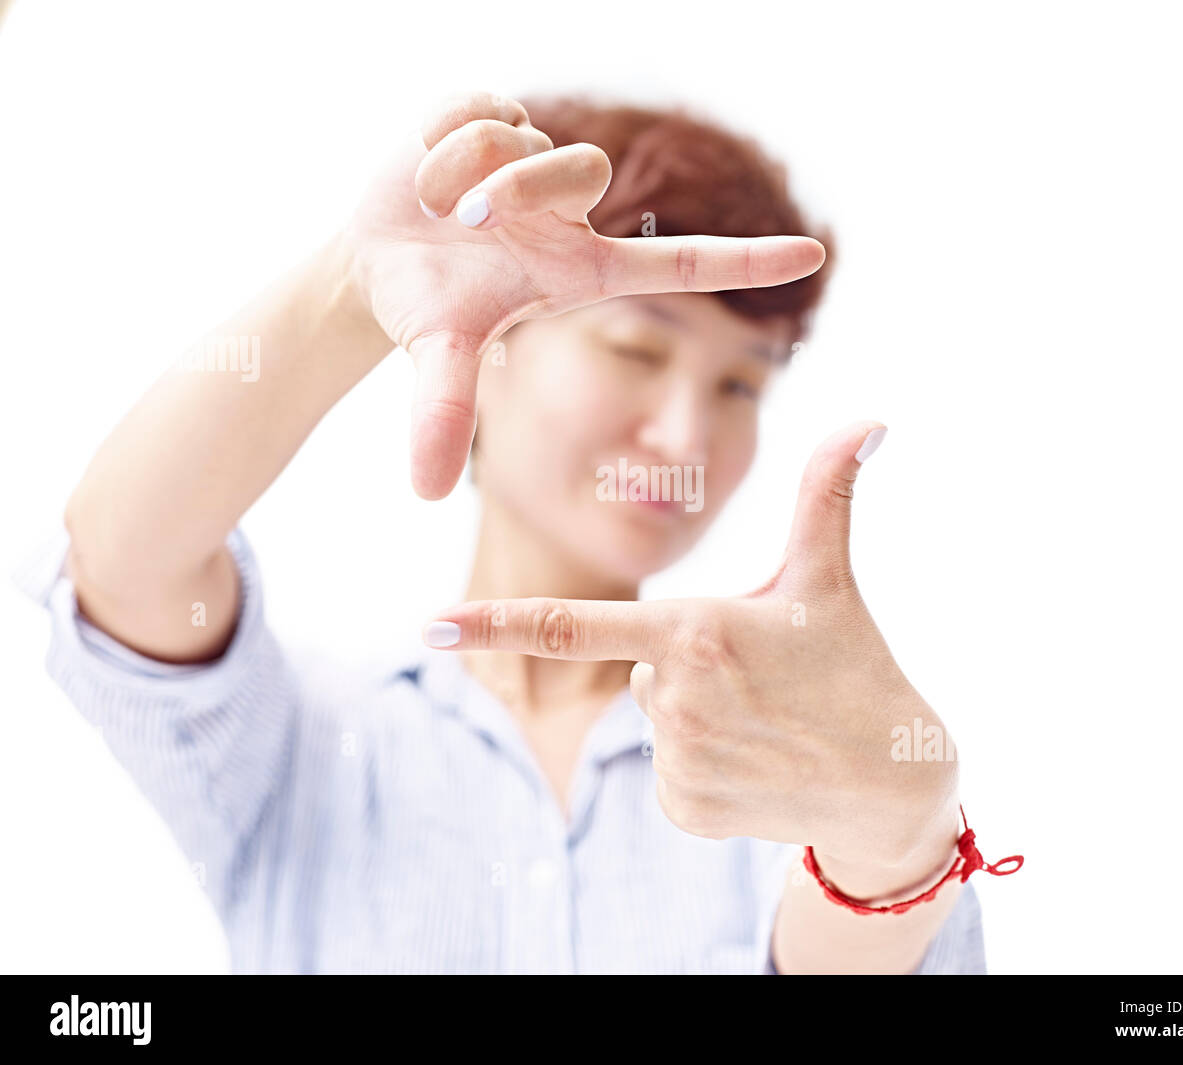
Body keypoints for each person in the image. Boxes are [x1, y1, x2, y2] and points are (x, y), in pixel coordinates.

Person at [25, 91, 989, 974]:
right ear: (487, 352)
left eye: (740, 384)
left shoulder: (771, 756)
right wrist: (352, 288)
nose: (688, 436)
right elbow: (122, 561)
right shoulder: (314, 744)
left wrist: (897, 845)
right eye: (635, 347)